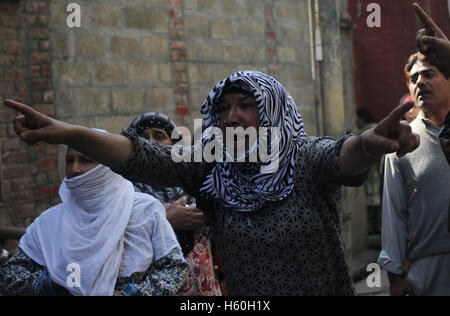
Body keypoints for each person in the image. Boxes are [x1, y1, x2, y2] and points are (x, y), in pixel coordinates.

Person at [4, 67, 420, 295]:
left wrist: (369, 142)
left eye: (245, 106)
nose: (232, 118)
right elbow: (145, 156)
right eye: (223, 109)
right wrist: (70, 133)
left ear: (273, 111)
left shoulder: (303, 158)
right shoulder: (212, 167)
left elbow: (342, 156)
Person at [0, 133, 188, 296]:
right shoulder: (49, 222)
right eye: (69, 160)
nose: (74, 169)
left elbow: (174, 268)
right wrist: (56, 284)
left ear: (107, 164)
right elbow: (10, 276)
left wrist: (130, 294)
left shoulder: (143, 209)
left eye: (85, 160)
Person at [378, 46, 450, 296]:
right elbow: (393, 215)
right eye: (414, 78)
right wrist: (395, 276)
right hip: (428, 271)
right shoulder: (400, 144)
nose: (420, 82)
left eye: (429, 74)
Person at [128, 112, 222, 296]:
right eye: (143, 137)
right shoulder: (126, 193)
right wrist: (162, 218)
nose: (150, 142)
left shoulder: (196, 182)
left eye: (159, 135)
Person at [355, 108, 381, 235]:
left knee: (372, 198)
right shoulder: (377, 128)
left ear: (362, 118)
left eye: (357, 118)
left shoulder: (364, 132)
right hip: (378, 170)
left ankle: (374, 226)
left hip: (371, 170)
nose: (356, 121)